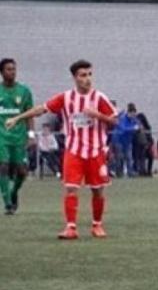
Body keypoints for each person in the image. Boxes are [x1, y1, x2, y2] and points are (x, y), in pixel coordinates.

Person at [6, 60, 117, 239]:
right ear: (74, 78)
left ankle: (97, 225)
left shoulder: (99, 98)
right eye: (83, 75)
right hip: (73, 151)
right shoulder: (65, 98)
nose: (88, 79)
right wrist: (18, 118)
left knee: (97, 190)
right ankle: (71, 228)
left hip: (95, 151)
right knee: (71, 188)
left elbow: (114, 121)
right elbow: (41, 109)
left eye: (89, 74)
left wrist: (98, 115)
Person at [0, 58, 35, 215]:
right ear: (2, 72)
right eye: (8, 69)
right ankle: (7, 202)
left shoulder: (24, 91)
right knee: (3, 166)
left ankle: (14, 193)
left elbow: (29, 114)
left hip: (19, 138)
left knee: (21, 171)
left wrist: (31, 135)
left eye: (13, 69)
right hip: (2, 137)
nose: (12, 72)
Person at [113, 103, 139, 177]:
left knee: (129, 157)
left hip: (128, 142)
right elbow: (123, 129)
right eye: (132, 114)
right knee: (119, 157)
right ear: (129, 112)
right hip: (119, 141)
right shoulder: (122, 118)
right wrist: (133, 128)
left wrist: (137, 127)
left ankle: (130, 172)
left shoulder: (134, 119)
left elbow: (138, 125)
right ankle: (119, 172)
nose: (134, 116)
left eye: (135, 114)